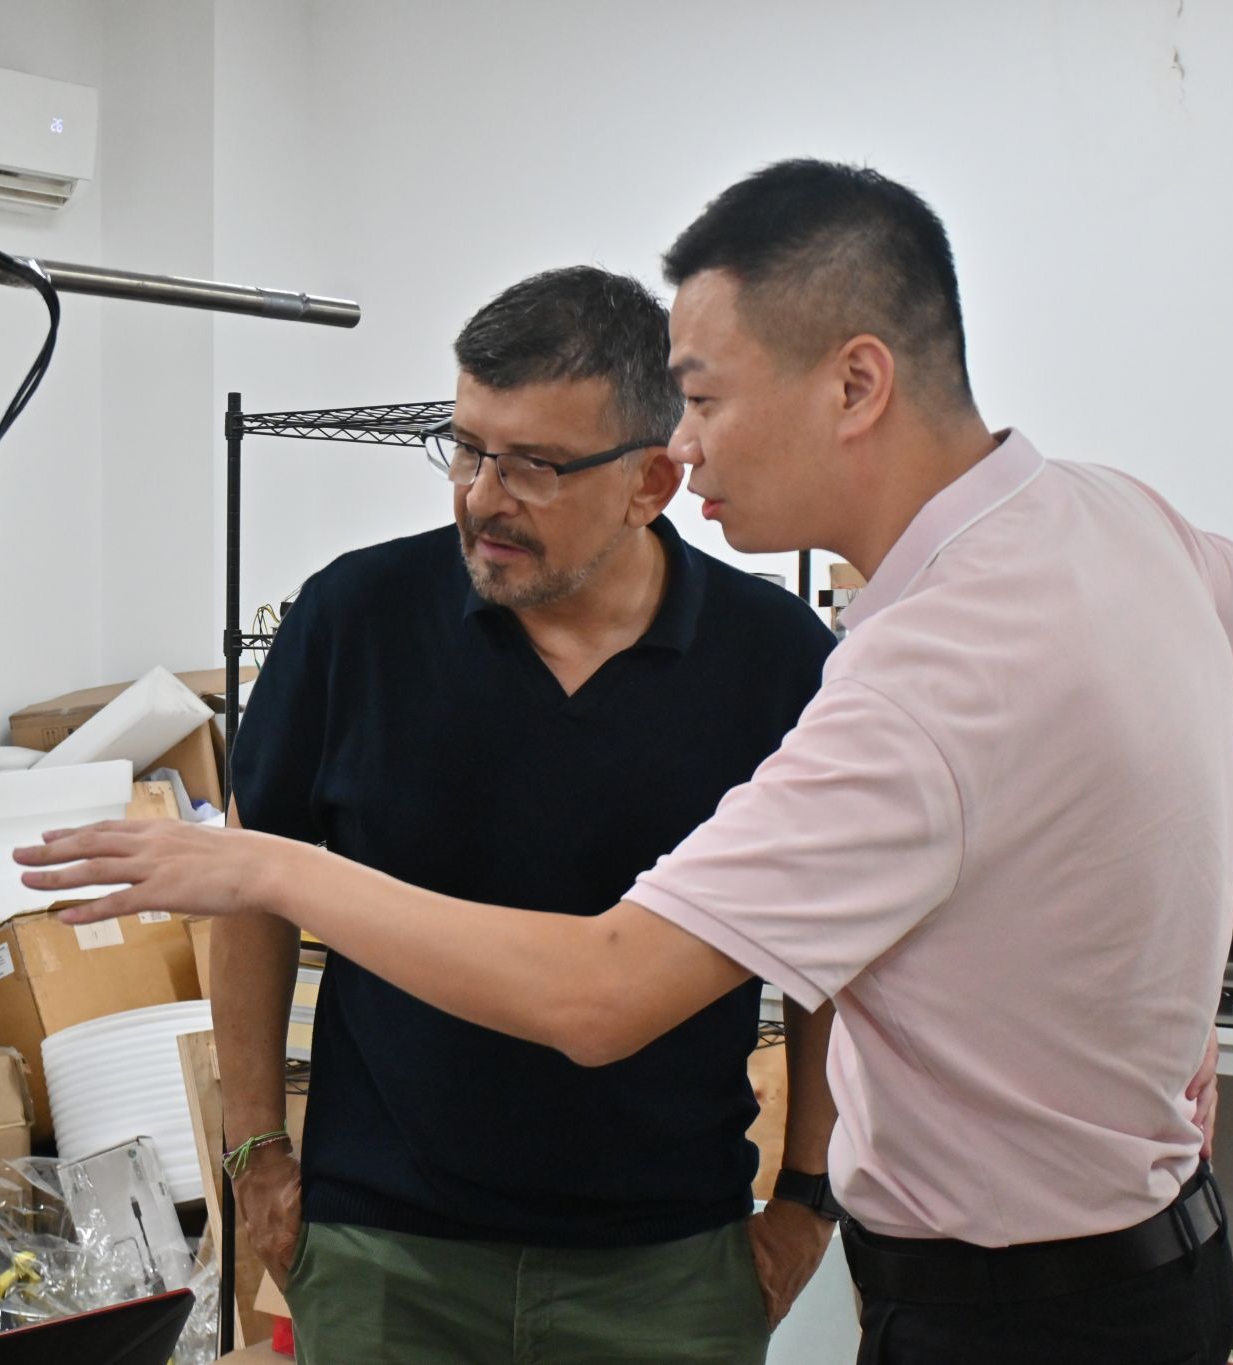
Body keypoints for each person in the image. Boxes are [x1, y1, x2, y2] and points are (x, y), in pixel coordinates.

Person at [19, 161, 1233, 1365]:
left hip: (965, 1303)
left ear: (852, 384)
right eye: (463, 449)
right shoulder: (1112, 517)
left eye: (704, 400)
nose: (691, 446)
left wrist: (273, 870)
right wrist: (1178, 888)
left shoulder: (890, 681)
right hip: (1127, 1262)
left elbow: (602, 995)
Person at [212, 265, 839, 1364]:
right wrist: (256, 1148)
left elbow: (825, 944)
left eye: (534, 467)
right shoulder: (353, 621)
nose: (480, 497)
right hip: (384, 1253)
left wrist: (806, 1195)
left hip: (668, 1263)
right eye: (466, 449)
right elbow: (250, 890)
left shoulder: (775, 660)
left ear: (651, 480)